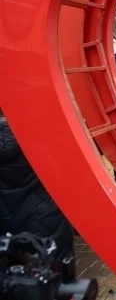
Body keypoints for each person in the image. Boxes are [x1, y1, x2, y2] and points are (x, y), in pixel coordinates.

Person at [0, 108, 75, 260]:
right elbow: (57, 179)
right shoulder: (35, 142)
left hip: (4, 221)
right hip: (43, 216)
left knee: (15, 273)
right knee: (54, 269)